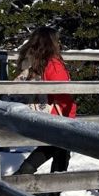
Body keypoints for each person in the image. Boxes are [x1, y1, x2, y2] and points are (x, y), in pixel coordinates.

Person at [12, 26, 77, 175]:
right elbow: (63, 93)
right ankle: (50, 187)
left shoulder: (28, 60)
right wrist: (71, 112)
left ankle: (26, 176)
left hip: (30, 110)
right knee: (60, 146)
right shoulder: (53, 64)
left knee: (57, 147)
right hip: (54, 113)